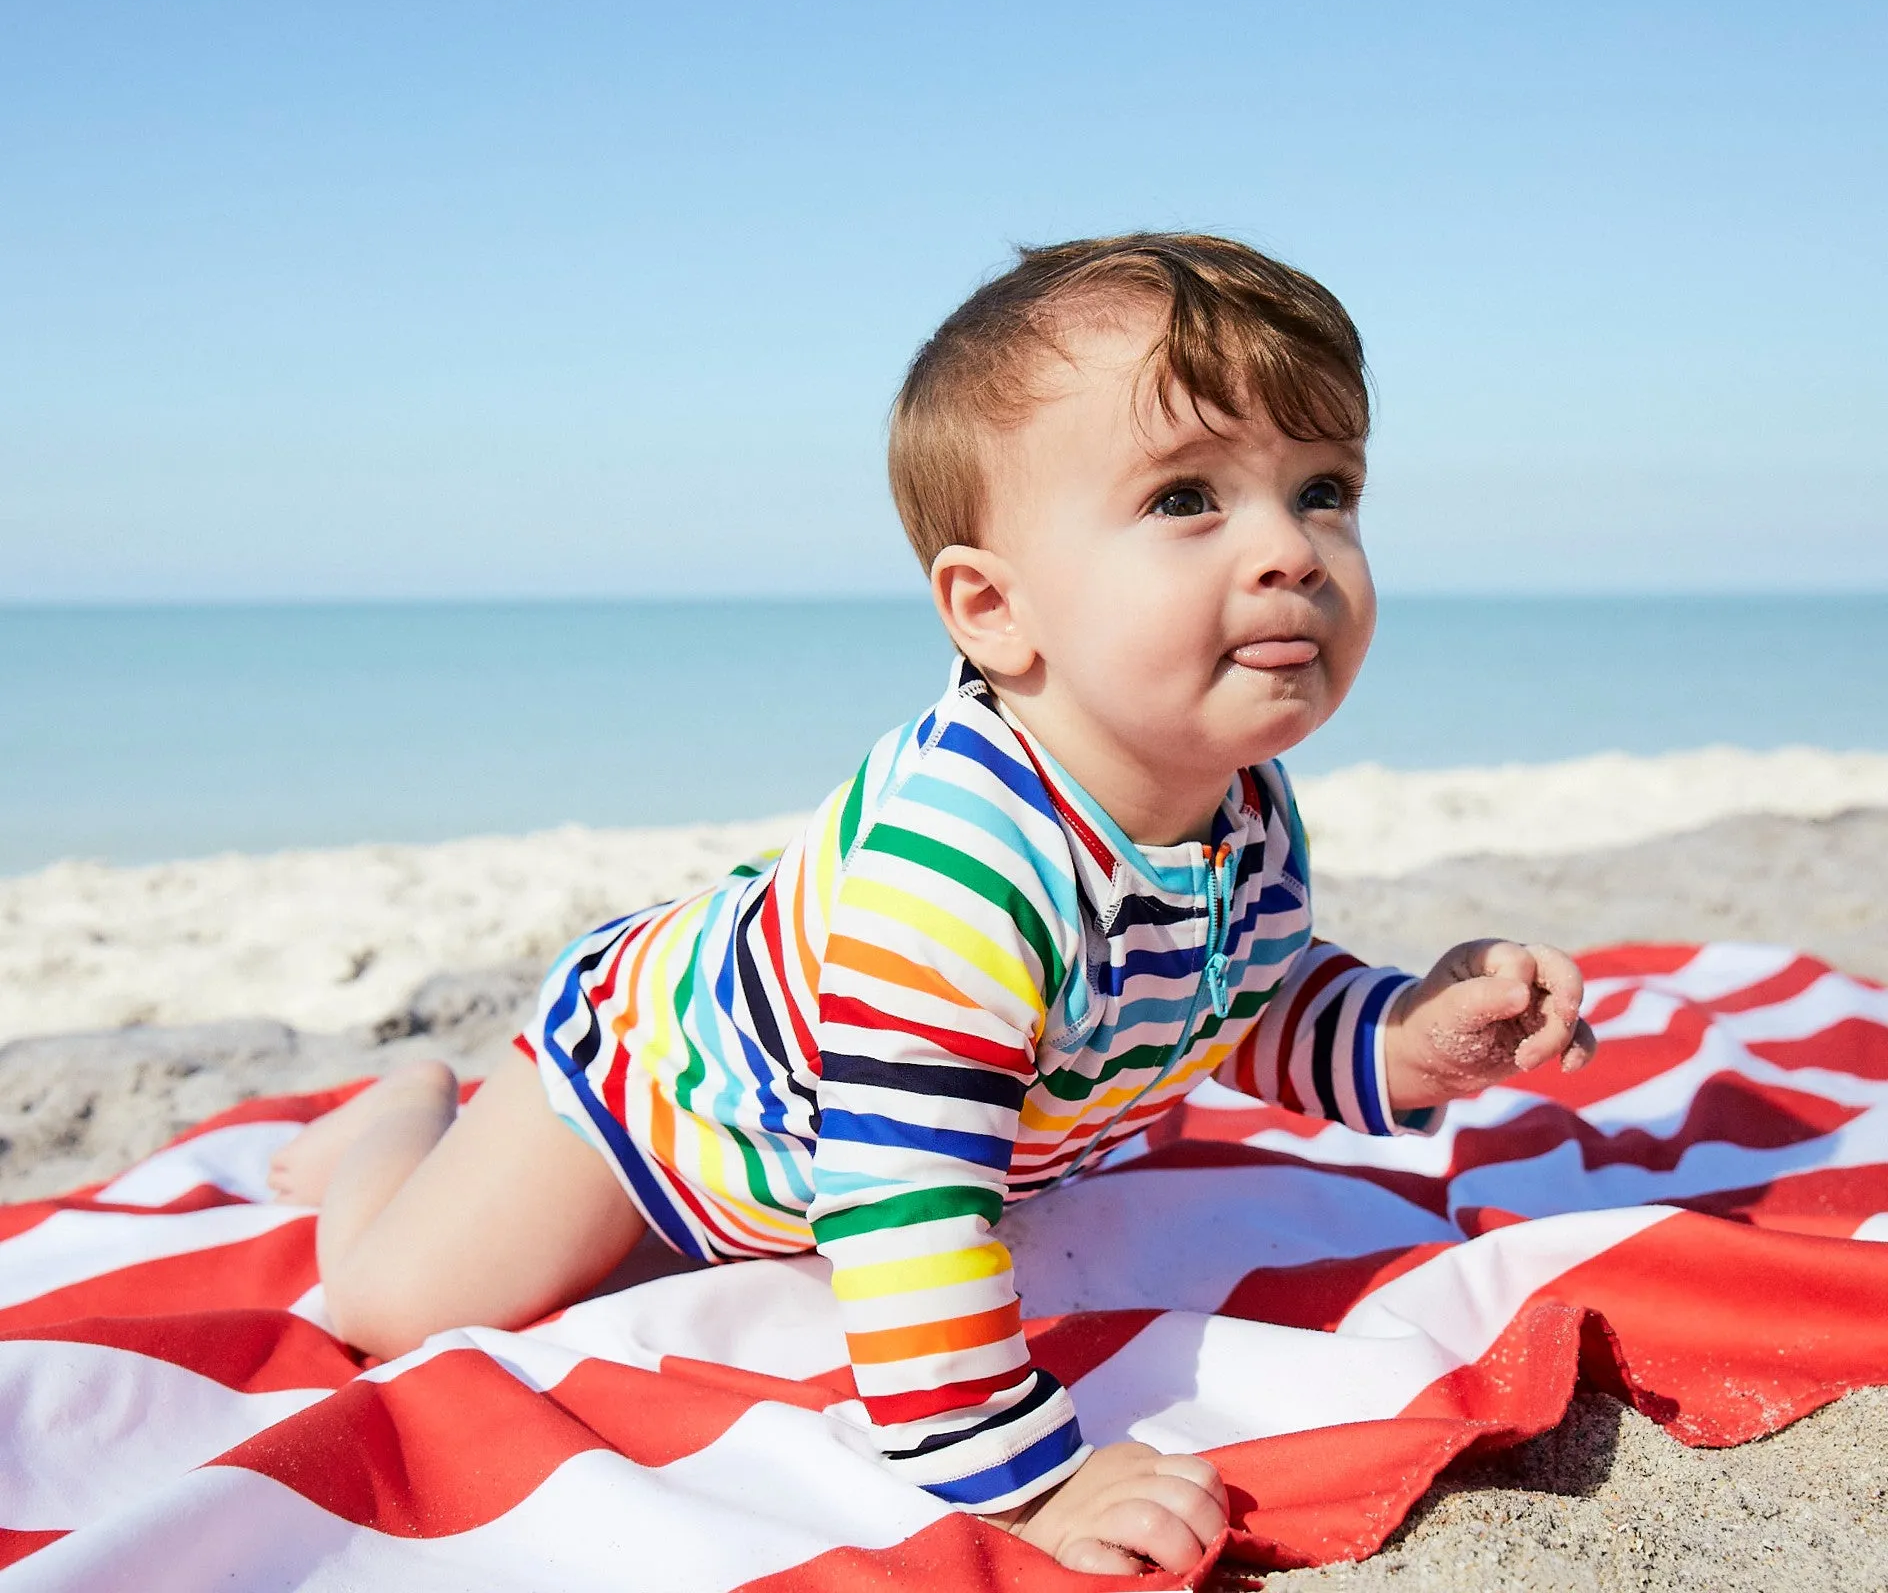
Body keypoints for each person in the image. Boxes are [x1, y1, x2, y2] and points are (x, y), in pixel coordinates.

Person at [271, 232, 1597, 1577]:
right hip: (660, 1095)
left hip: (839, 1121)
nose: (1289, 551)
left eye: (1323, 490)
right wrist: (1028, 1485)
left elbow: (1246, 995)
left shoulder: (1239, 803)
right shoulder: (961, 866)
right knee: (397, 1304)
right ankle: (394, 1121)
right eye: (1188, 499)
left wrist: (1407, 1039)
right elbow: (905, 1208)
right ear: (993, 610)